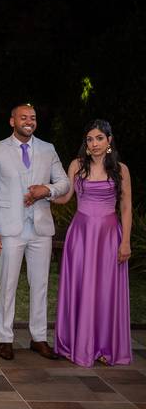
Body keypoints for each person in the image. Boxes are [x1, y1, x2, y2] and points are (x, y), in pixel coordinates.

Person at [0, 104, 70, 361]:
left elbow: (64, 183)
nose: (29, 121)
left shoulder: (47, 149)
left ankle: (38, 338)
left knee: (40, 284)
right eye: (23, 117)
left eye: (32, 117)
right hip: (9, 228)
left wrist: (47, 190)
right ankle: (5, 338)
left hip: (40, 228)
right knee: (8, 284)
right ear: (12, 121)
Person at [52, 119, 132, 367]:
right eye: (89, 139)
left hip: (109, 237)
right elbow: (66, 197)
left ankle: (105, 346)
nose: (94, 143)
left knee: (106, 290)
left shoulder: (121, 169)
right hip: (81, 235)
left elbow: (126, 207)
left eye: (99, 138)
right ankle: (78, 343)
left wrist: (126, 242)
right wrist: (43, 194)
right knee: (81, 286)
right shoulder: (77, 165)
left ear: (109, 140)